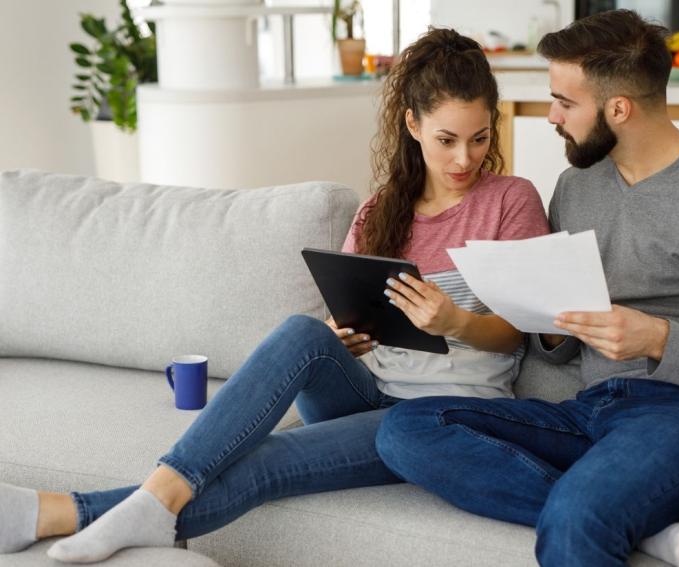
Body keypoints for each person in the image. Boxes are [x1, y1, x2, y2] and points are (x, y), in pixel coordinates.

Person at [0, 28, 551, 563]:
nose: (464, 159)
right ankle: (144, 499)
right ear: (412, 124)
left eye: (480, 138)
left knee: (263, 463)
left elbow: (516, 332)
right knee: (302, 333)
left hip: (439, 415)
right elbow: (347, 318)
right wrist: (347, 336)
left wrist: (454, 321)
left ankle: (63, 513)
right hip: (368, 387)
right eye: (446, 140)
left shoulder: (511, 201)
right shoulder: (380, 209)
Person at [375, 10, 679, 567]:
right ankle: (636, 521)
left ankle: (597, 508)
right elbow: (561, 338)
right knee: (406, 429)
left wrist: (657, 338)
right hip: (593, 408)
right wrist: (552, 327)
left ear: (618, 109)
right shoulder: (577, 186)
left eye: (564, 101)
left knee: (579, 518)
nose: (551, 115)